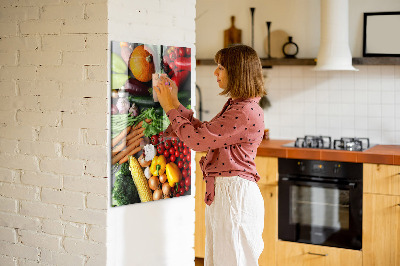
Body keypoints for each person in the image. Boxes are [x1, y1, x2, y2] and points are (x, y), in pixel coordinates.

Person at [154, 44, 266, 266]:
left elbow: (197, 141)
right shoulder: (239, 106)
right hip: (229, 194)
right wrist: (175, 104)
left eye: (221, 67)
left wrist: (169, 108)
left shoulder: (243, 111)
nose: (215, 73)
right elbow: (204, 132)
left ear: (237, 72)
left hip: (234, 196)